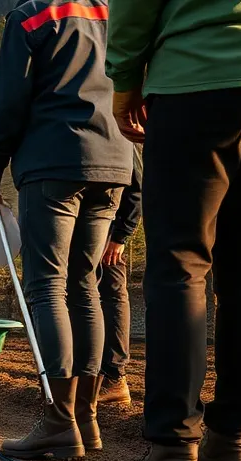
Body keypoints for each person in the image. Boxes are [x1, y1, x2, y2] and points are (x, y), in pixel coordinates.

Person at [100, 0, 241, 461]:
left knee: (180, 262)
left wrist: (126, 80)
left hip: (198, 76)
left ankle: (174, 456)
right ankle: (231, 448)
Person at [0, 0, 133, 460]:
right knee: (85, 285)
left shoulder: (33, 16)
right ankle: (86, 419)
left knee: (47, 285)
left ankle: (58, 422)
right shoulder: (113, 13)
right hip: (114, 162)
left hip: (54, 161)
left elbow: (7, 100)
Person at [98, 150, 142, 407]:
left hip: (108, 227)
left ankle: (114, 377)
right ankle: (96, 376)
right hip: (86, 223)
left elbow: (136, 183)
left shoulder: (118, 124)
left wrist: (120, 236)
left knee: (113, 295)